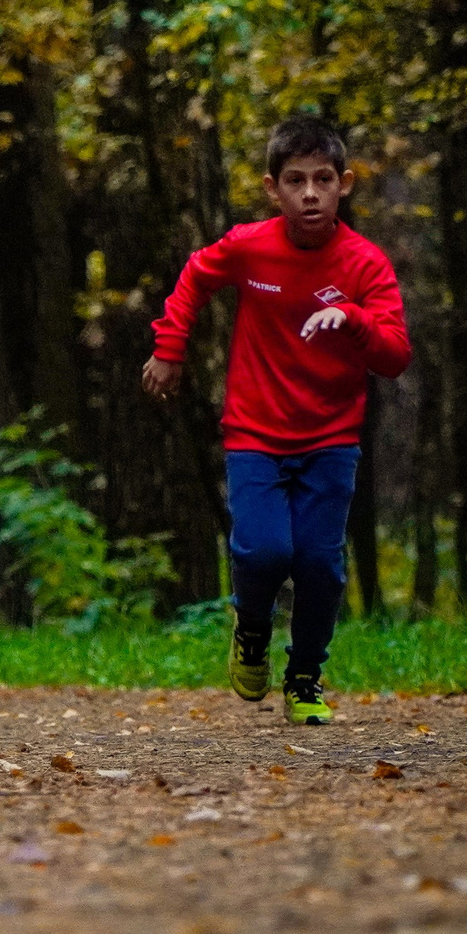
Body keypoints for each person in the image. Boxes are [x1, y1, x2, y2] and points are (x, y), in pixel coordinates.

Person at [144, 115, 411, 726]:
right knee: (264, 552)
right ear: (273, 188)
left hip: (331, 437)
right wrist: (169, 347)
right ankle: (253, 631)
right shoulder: (248, 245)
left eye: (323, 179)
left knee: (319, 562)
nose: (310, 193)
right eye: (295, 181)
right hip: (255, 432)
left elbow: (396, 357)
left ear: (345, 184)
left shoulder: (365, 265)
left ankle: (305, 676)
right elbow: (194, 278)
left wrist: (354, 319)